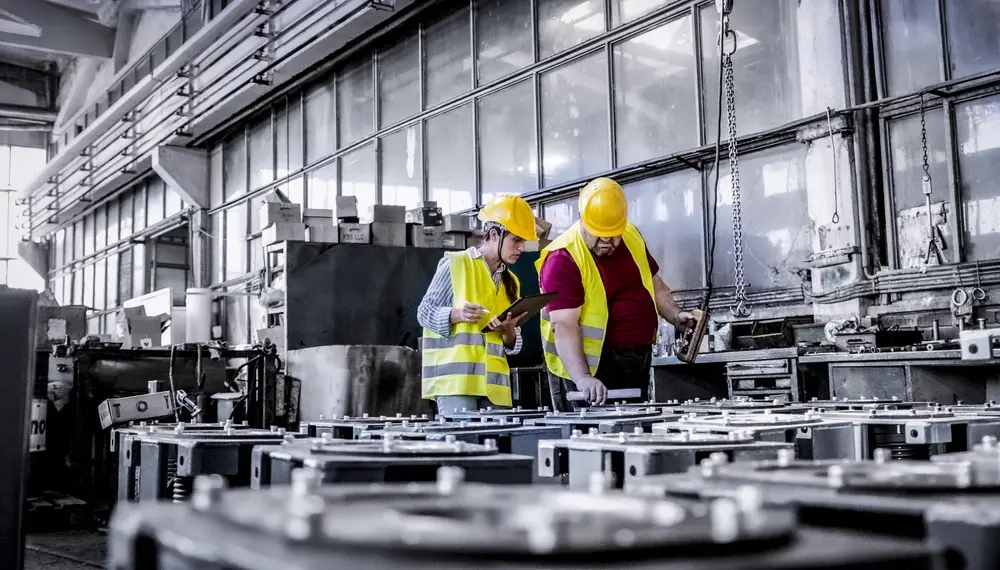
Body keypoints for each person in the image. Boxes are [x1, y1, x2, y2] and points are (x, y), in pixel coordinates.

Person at [537, 177, 693, 409]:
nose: (607, 241)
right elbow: (565, 324)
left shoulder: (630, 235)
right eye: (599, 233)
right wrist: (583, 378)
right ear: (583, 220)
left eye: (613, 233)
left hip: (634, 361)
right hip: (588, 370)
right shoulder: (563, 257)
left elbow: (651, 281)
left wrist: (675, 314)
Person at [418, 194, 538, 416]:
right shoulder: (455, 264)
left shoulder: (511, 282)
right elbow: (425, 312)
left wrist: (509, 333)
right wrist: (456, 314)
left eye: (523, 241)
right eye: (516, 240)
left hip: (495, 389)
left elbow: (512, 344)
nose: (522, 248)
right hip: (457, 385)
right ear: (494, 235)